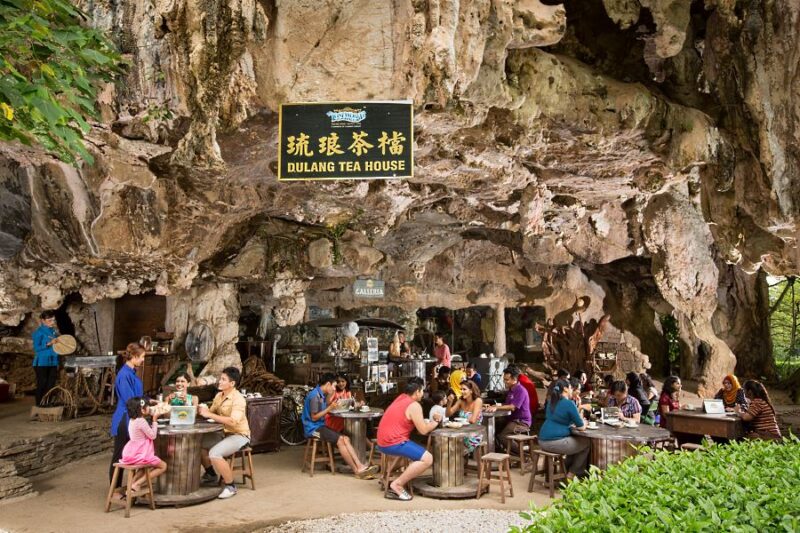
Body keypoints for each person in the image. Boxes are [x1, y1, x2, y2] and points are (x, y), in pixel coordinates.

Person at [300, 372, 378, 480]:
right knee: (341, 440)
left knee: (345, 438)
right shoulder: (315, 396)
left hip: (320, 426)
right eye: (333, 386)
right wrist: (329, 408)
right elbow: (314, 418)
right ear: (328, 384)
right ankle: (357, 470)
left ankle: (360, 466)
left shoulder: (320, 393)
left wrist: (331, 405)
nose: (334, 388)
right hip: (312, 429)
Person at [377, 377, 441, 500]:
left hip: (383, 441)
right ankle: (397, 484)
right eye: (422, 391)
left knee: (412, 456)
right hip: (394, 442)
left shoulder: (401, 397)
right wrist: (436, 421)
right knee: (428, 459)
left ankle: (386, 474)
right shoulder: (414, 405)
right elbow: (423, 430)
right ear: (417, 391)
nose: (423, 394)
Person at [199, 367, 252, 499]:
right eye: (220, 378)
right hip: (223, 433)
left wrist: (209, 414)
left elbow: (233, 421)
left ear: (232, 383)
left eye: (223, 379)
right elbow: (211, 412)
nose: (220, 381)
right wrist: (202, 409)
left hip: (239, 435)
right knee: (198, 445)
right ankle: (211, 474)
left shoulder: (238, 399)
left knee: (214, 453)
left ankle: (231, 486)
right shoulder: (219, 396)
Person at [109, 343, 146, 489]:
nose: (143, 360)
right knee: (119, 456)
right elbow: (131, 400)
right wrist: (146, 404)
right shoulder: (124, 375)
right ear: (135, 356)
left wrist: (150, 400)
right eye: (142, 357)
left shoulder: (131, 372)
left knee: (133, 454)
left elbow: (138, 396)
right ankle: (115, 490)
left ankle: (132, 486)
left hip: (131, 417)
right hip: (124, 419)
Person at [538, 379, 589, 480]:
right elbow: (581, 427)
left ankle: (564, 470)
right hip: (554, 442)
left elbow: (558, 418)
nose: (572, 390)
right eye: (570, 388)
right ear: (565, 389)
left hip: (542, 440)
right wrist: (585, 423)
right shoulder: (569, 403)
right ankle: (572, 473)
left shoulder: (551, 402)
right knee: (586, 443)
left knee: (574, 442)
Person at [119, 397, 168, 492]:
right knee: (163, 466)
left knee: (144, 468)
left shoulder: (132, 420)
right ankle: (137, 483)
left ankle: (131, 486)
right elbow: (153, 436)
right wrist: (154, 420)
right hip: (141, 453)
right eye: (147, 406)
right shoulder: (141, 421)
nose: (149, 408)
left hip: (131, 453)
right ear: (142, 409)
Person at [486, 366, 531, 451]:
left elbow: (512, 407)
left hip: (521, 421)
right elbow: (507, 404)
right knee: (493, 428)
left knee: (503, 436)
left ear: (514, 379)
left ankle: (522, 453)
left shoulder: (521, 390)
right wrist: (496, 405)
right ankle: (499, 450)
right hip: (511, 419)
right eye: (504, 379)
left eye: (507, 380)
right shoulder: (511, 389)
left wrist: (496, 407)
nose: (504, 381)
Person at [446, 380, 484, 454]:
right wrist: (449, 403)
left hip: (473, 435)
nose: (462, 391)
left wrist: (459, 422)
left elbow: (473, 420)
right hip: (461, 433)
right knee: (447, 444)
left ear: (471, 391)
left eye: (464, 389)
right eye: (461, 389)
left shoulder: (478, 401)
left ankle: (459, 460)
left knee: (453, 449)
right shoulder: (461, 401)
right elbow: (448, 414)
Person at [32, 310, 59, 407]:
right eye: (49, 320)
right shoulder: (38, 332)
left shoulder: (53, 331)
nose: (52, 322)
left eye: (53, 320)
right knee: (42, 384)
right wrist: (49, 343)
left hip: (53, 361)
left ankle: (48, 403)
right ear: (43, 321)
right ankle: (39, 405)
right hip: (41, 362)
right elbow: (36, 348)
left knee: (51, 384)